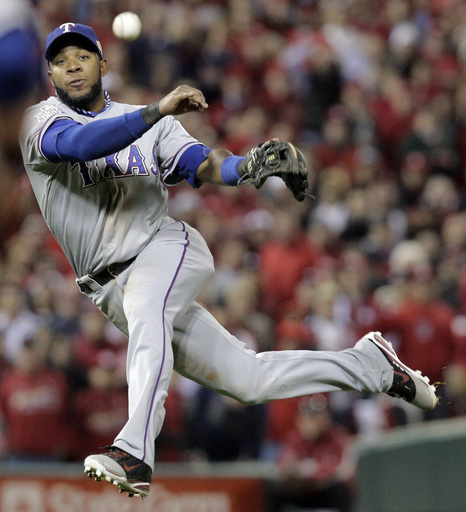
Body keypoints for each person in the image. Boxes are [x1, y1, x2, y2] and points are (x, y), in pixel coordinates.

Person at [19, 23, 438, 499]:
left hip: (162, 249)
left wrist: (246, 167)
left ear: (103, 64)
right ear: (50, 72)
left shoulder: (148, 121)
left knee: (146, 311)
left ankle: (133, 449)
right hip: (108, 288)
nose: (72, 65)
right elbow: (81, 146)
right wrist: (156, 111)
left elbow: (200, 161)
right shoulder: (40, 120)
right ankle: (371, 366)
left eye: (83, 55)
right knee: (248, 379)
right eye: (61, 59)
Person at [267, 394, 354, 512]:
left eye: (317, 416)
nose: (312, 422)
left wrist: (313, 470)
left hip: (326, 491)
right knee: (274, 489)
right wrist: (299, 471)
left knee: (339, 489)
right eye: (308, 417)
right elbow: (283, 467)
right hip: (303, 490)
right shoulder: (295, 438)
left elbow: (344, 470)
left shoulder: (338, 437)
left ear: (327, 417)